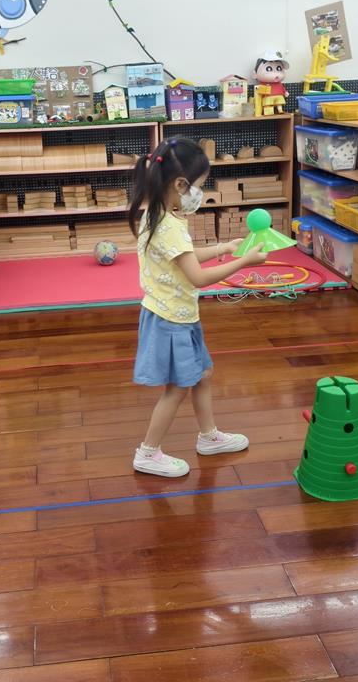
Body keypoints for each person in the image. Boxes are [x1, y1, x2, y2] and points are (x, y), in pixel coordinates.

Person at [127, 138, 268, 477]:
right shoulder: (169, 226)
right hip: (171, 320)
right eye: (199, 185)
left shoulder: (158, 214)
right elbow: (198, 277)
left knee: (202, 375)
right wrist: (244, 262)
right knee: (177, 389)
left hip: (178, 314)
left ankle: (209, 437)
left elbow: (183, 259)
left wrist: (224, 247)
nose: (199, 193)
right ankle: (147, 453)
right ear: (180, 185)